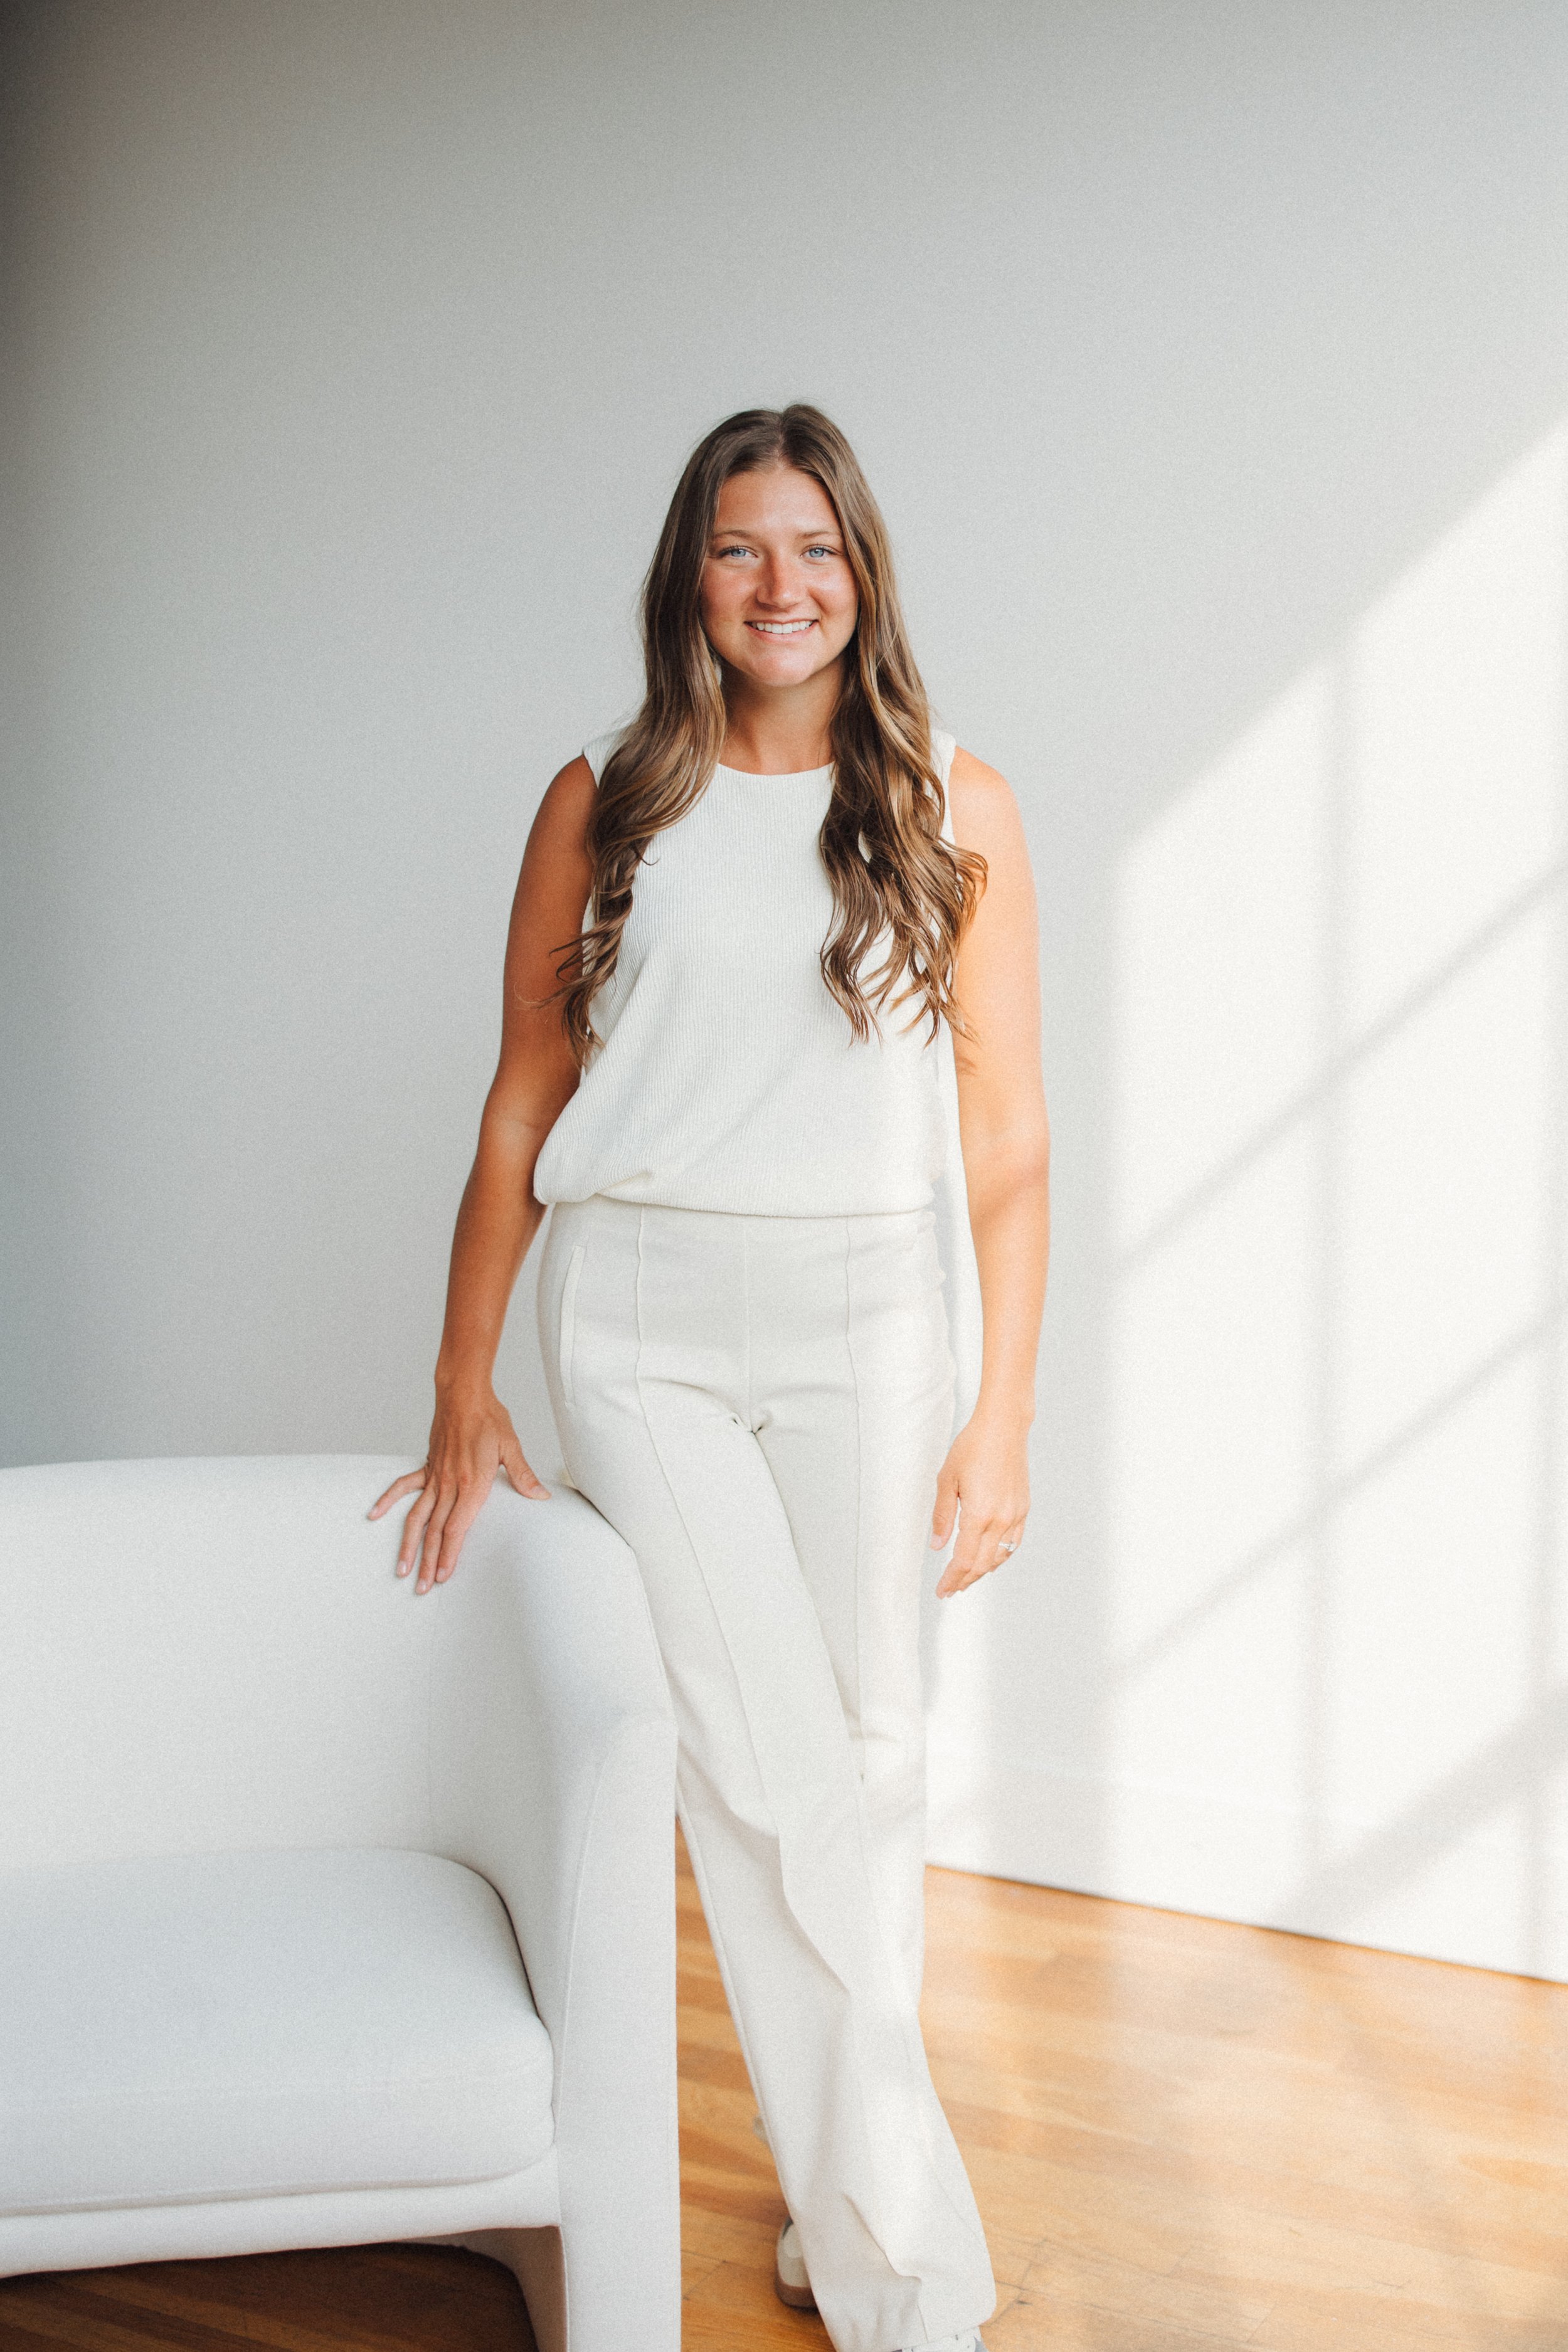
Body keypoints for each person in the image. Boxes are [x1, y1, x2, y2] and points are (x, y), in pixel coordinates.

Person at [371, 403, 1049, 2352]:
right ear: (690, 574)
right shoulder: (604, 799)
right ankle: (901, 2258)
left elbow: (1005, 1140)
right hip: (645, 1315)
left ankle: (844, 2180)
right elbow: (524, 1097)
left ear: (864, 576)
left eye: (816, 551)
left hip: (871, 1318)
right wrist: (459, 1375)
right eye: (742, 549)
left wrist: (1002, 1414)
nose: (781, 587)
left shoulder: (955, 803)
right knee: (759, 1771)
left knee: (864, 1754)